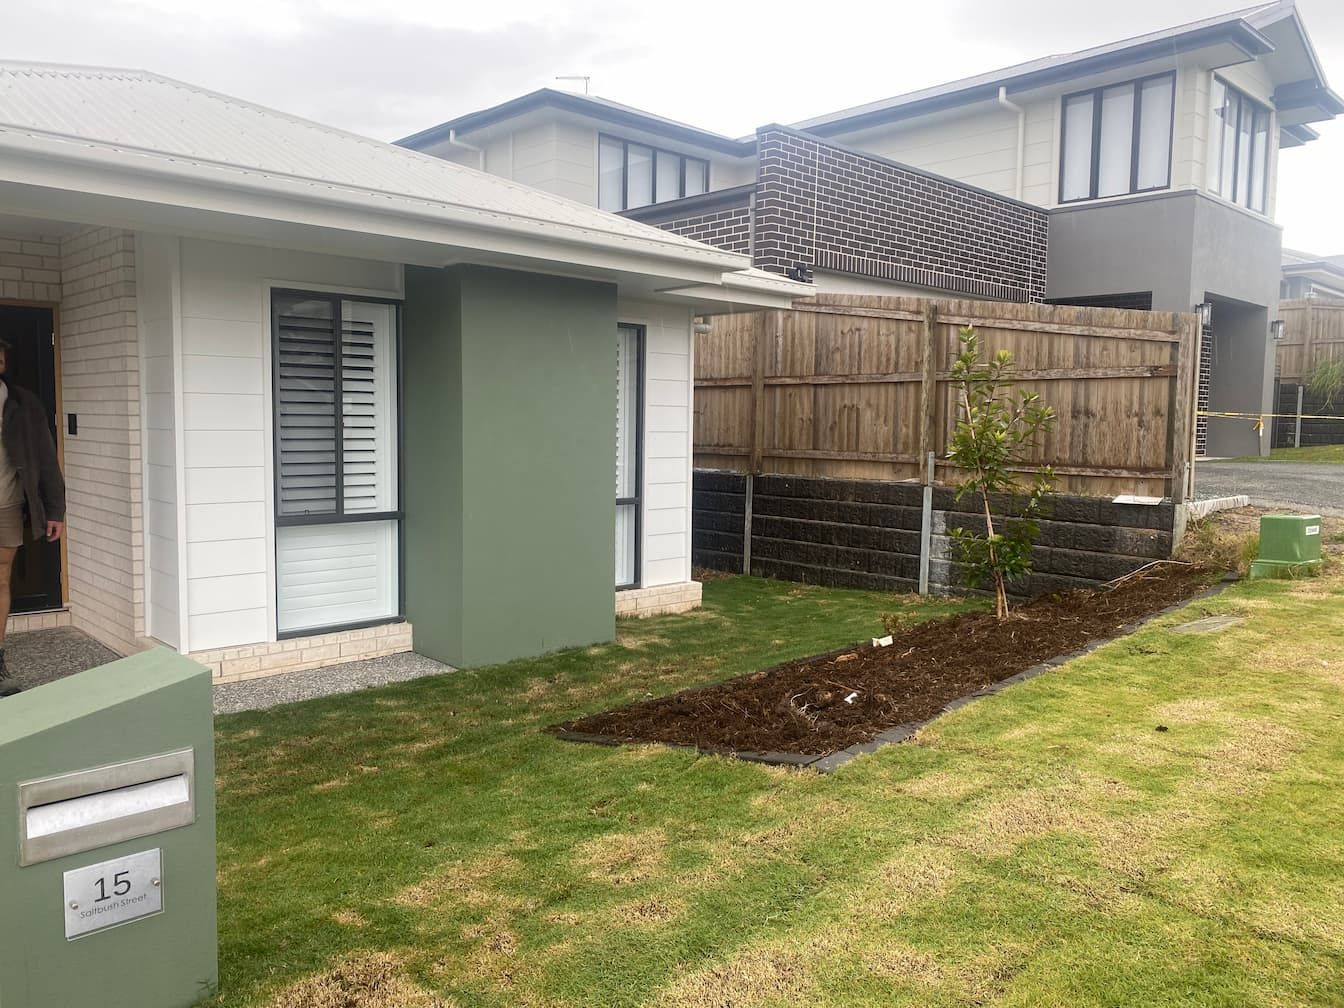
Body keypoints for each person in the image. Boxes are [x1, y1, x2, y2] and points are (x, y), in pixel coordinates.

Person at [0, 337, 65, 697]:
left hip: (6, 505)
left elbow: (45, 456)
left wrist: (54, 509)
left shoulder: (23, 403)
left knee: (1, 579)